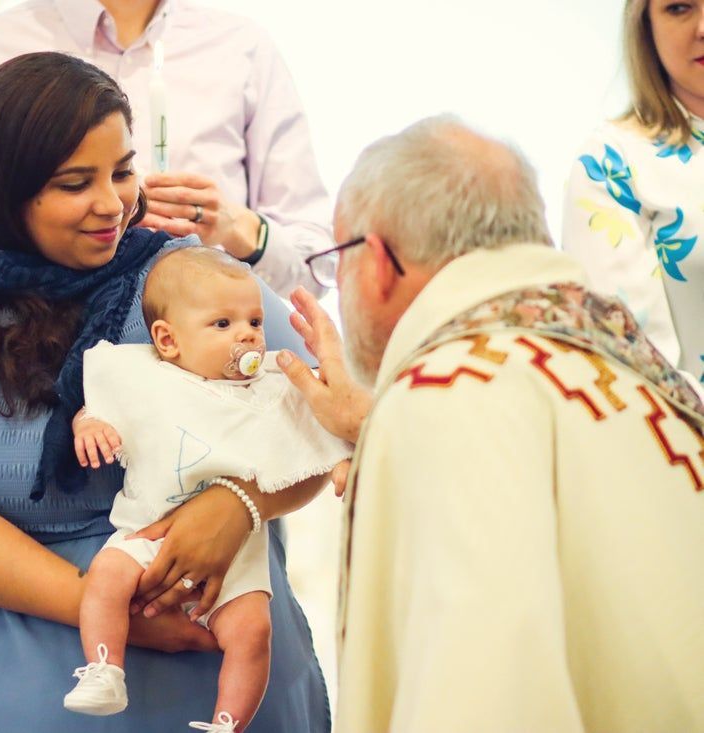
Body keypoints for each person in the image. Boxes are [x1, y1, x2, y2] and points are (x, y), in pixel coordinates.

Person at [0, 52, 348, 732]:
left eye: (123, 171)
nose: (112, 204)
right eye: (76, 183)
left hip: (222, 677)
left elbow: (323, 415)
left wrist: (240, 502)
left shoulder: (189, 277)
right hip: (8, 687)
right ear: (5, 190)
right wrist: (108, 605)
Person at [278, 115, 704, 732]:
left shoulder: (450, 391)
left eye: (334, 259)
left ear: (377, 262)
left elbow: (486, 691)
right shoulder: (646, 381)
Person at [64, 247, 350, 732]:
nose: (247, 335)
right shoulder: (142, 376)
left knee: (254, 632)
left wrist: (340, 459)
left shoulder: (273, 387)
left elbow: (320, 428)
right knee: (106, 576)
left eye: (255, 322)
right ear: (168, 340)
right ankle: (105, 669)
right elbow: (97, 406)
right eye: (223, 324)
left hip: (237, 555)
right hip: (145, 534)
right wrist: (87, 426)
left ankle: (227, 723)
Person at [0, 0, 332, 295]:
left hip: (218, 372)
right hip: (36, 367)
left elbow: (318, 269)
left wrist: (239, 230)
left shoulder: (241, 48)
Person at [562, 0, 704, 385]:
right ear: (645, 28)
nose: (703, 27)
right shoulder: (611, 163)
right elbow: (635, 369)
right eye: (679, 8)